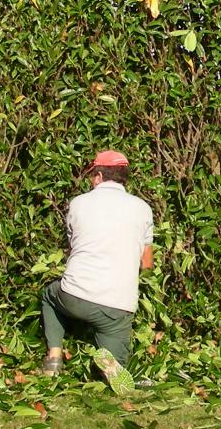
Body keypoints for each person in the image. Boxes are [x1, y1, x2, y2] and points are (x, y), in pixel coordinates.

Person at [40, 150, 153, 386]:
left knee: (50, 295)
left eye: (92, 175)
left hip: (75, 296)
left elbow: (74, 247)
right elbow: (147, 263)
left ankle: (54, 358)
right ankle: (110, 365)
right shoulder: (142, 208)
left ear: (99, 176)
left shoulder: (79, 203)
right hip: (118, 306)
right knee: (118, 364)